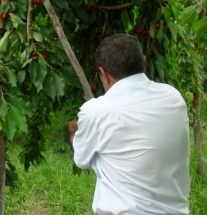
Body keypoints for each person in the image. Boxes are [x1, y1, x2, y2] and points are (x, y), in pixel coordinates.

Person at [66, 34, 190, 214]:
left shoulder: (95, 111)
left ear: (103, 74)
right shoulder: (173, 97)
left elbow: (81, 159)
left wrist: (72, 130)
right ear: (144, 63)